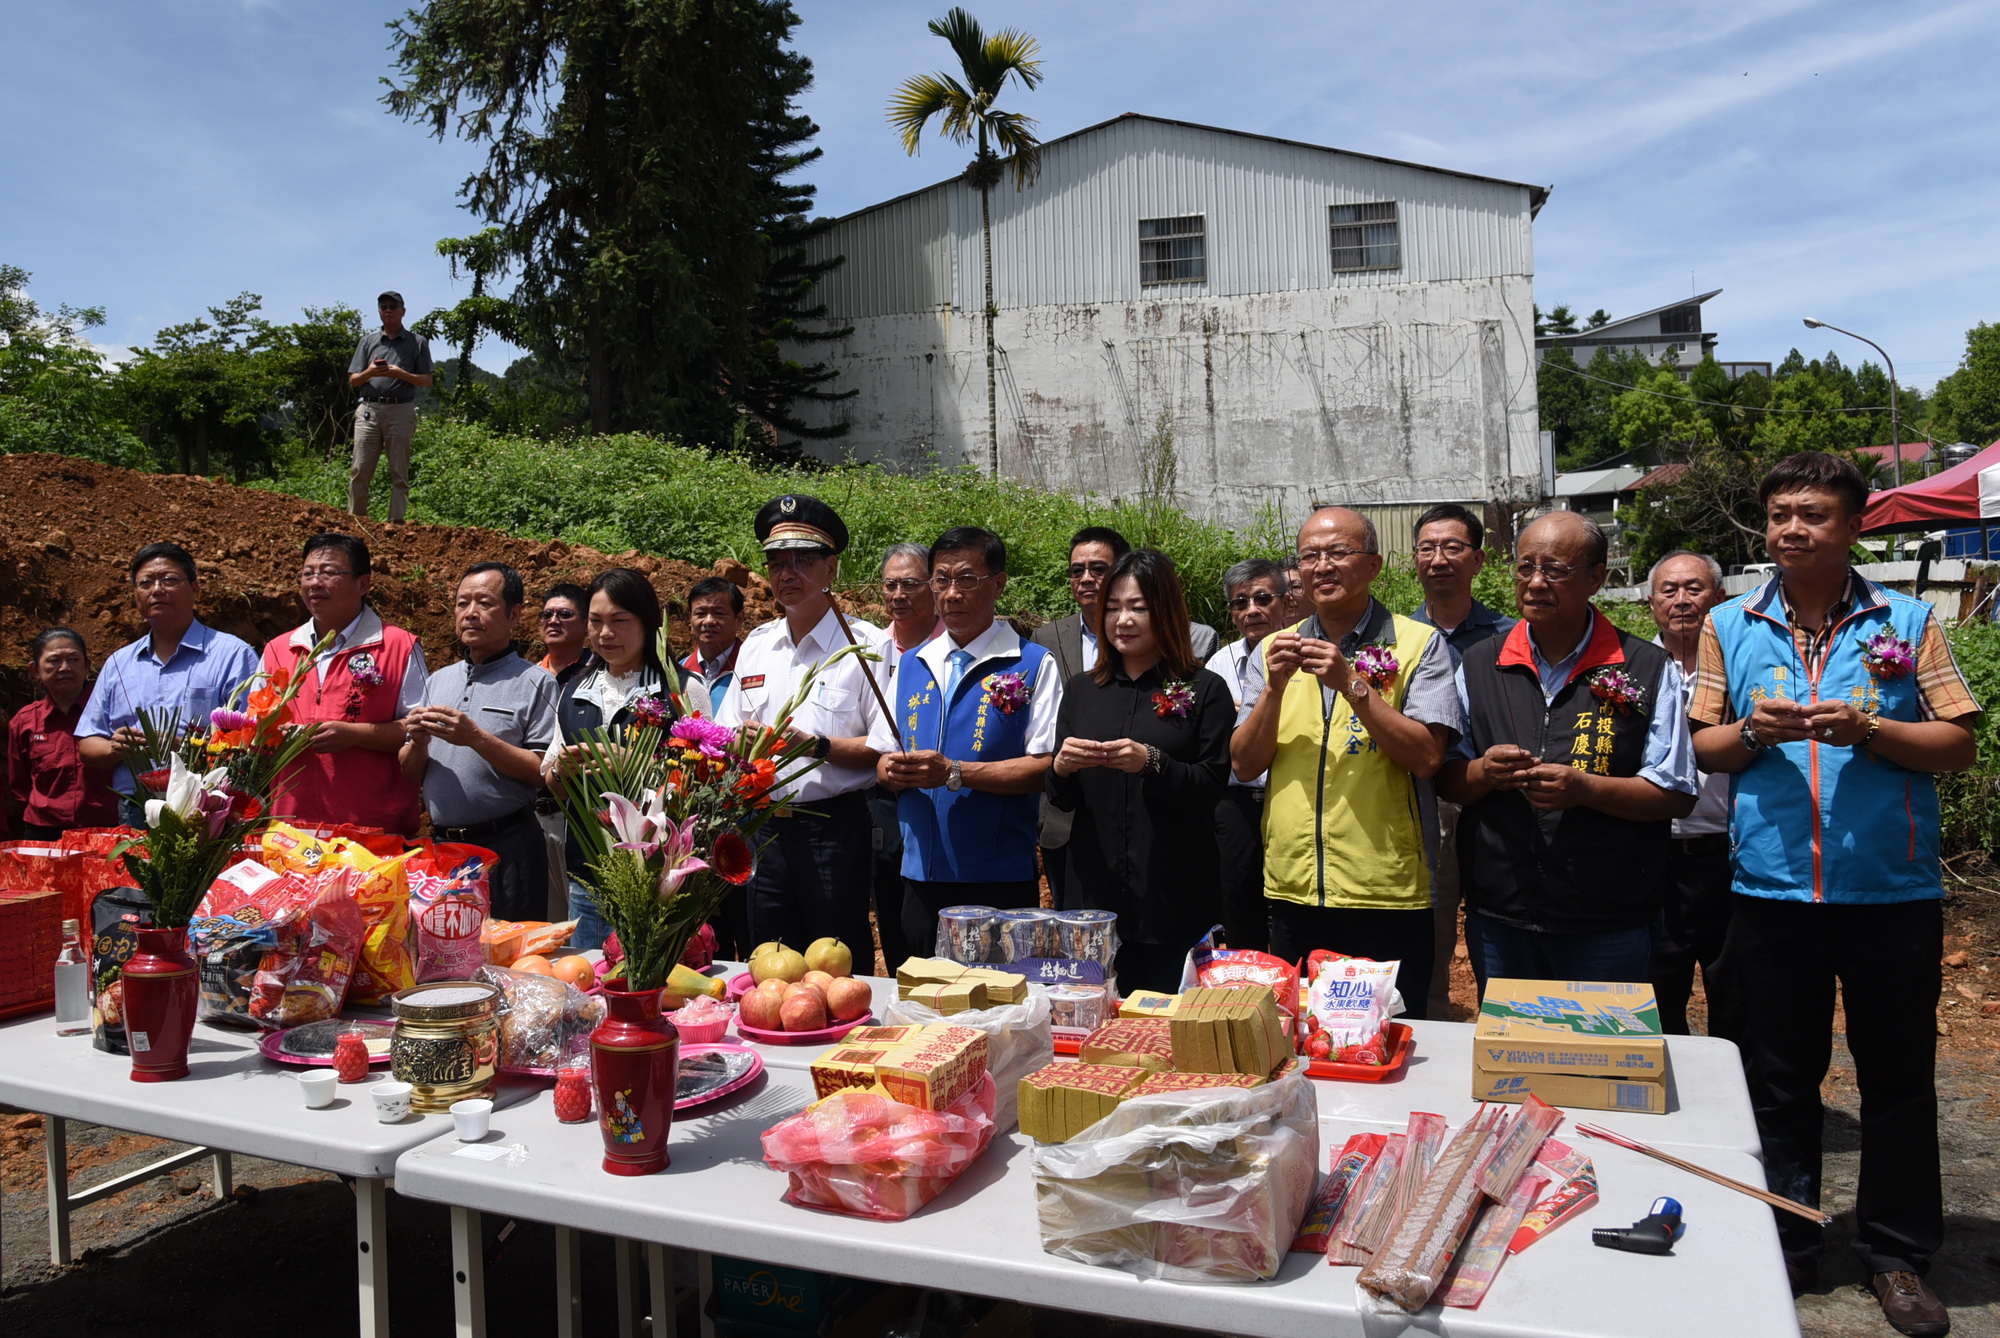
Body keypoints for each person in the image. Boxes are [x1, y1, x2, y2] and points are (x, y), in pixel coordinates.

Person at [1691, 453, 1979, 1329]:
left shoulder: (1907, 620)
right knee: (1779, 1081)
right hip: (1772, 890)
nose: (1790, 529)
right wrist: (1750, 730)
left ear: (1854, 527)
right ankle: (1789, 1239)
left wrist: (1873, 728)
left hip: (1890, 892)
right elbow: (1706, 748)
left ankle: (1896, 1255)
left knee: (1897, 1079)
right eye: (1779, 513)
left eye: (1812, 514)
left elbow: (1959, 742)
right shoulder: (1730, 624)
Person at [1437, 512, 1696, 992]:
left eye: (1554, 569)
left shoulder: (1645, 665)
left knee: (1602, 1060)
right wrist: (1484, 773)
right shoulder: (1479, 663)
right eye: (1524, 567)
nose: (1535, 583)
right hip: (1502, 913)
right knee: (1513, 1054)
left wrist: (1585, 789)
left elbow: (1676, 792)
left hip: (1607, 917)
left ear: (1596, 578)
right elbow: (1448, 776)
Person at [1231, 508, 1462, 1016]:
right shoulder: (1272, 650)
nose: (1323, 566)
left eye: (1339, 553)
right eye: (1310, 555)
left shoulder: (1420, 644)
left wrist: (1352, 684)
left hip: (1385, 889)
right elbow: (1245, 765)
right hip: (1294, 887)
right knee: (1305, 1040)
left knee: (1391, 1037)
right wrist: (1273, 688)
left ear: (1375, 565)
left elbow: (1427, 756)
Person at [872, 527, 1063, 954]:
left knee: (999, 1008)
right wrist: (890, 770)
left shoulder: (1031, 663)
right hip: (920, 874)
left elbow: (1045, 766)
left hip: (997, 877)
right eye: (941, 580)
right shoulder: (913, 664)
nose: (952, 593)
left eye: (967, 580)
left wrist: (954, 773)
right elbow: (882, 755)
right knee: (924, 1003)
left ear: (998, 583)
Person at [1049, 551, 1233, 993]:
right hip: (1095, 899)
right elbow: (1061, 799)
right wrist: (1060, 768)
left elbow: (1211, 785)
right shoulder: (1081, 690)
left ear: (1165, 612)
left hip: (1173, 895)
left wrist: (1153, 763)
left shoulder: (1204, 688)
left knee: (1173, 1029)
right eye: (1112, 608)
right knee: (1097, 1030)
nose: (1122, 620)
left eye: (1138, 608)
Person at [714, 496, 887, 960]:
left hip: (833, 829)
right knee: (767, 961)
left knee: (837, 963)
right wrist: (740, 742)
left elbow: (885, 749)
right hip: (763, 828)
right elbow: (725, 730)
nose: (787, 573)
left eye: (803, 561)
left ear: (832, 569)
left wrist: (815, 746)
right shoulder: (757, 644)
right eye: (775, 562)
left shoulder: (867, 645)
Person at [542, 569, 709, 949]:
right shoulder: (573, 690)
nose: (605, 634)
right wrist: (560, 772)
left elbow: (706, 777)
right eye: (596, 622)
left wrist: (630, 760)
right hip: (589, 876)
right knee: (593, 985)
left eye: (619, 621)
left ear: (647, 623)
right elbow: (551, 780)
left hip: (659, 876)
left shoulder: (682, 689)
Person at [400, 563, 560, 922]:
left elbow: (541, 772)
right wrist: (419, 743)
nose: (470, 613)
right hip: (444, 848)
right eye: (461, 604)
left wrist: (475, 738)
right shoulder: (438, 680)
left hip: (508, 846)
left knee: (508, 957)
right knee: (446, 954)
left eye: (484, 603)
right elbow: (410, 770)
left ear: (514, 614)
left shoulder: (536, 682)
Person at [1408, 503, 1517, 1019]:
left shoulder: (1509, 636)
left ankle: (1506, 1029)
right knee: (1430, 925)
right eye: (1427, 548)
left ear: (1478, 560)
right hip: (1424, 799)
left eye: (1453, 547)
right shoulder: (1397, 638)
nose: (1438, 559)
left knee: (1496, 925)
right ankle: (1431, 1020)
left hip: (1494, 799)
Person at [76, 542, 261, 827]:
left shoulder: (233, 655)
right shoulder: (118, 664)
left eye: (169, 580)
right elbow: (88, 744)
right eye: (146, 582)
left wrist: (186, 748)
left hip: (206, 808)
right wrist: (117, 748)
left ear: (195, 588)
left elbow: (254, 741)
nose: (157, 589)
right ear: (136, 594)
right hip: (136, 808)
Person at [262, 533, 429, 836]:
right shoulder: (278, 649)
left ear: (363, 584)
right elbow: (255, 727)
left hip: (372, 830)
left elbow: (420, 730)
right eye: (308, 573)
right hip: (292, 828)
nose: (314, 582)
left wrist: (352, 734)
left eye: (328, 573)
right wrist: (274, 734)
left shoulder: (398, 646)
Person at [1644, 549, 1738, 1042]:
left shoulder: (1741, 668)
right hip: (1653, 851)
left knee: (1735, 986)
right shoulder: (1635, 668)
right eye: (1668, 590)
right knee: (1658, 986)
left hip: (1728, 852)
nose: (1681, 601)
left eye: (1694, 589)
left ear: (1719, 599)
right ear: (1652, 603)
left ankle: (1739, 1103)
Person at [1033, 526, 1130, 907]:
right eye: (1077, 570)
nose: (1086, 578)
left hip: (1132, 810)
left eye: (1098, 568)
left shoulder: (1148, 636)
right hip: (1065, 817)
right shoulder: (1045, 638)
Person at [1204, 558, 1288, 951]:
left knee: (1289, 906)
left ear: (1285, 603)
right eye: (1240, 602)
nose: (1251, 609)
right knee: (1238, 904)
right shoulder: (1218, 665)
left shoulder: (1307, 653)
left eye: (1262, 598)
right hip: (1235, 802)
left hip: (1288, 796)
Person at [869, 543, 944, 970]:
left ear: (933, 588)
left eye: (911, 584)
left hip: (944, 793)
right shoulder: (870, 649)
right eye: (891, 584)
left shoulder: (951, 648)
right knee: (896, 913)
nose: (899, 594)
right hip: (884, 800)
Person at [7, 630, 120, 838]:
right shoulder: (24, 722)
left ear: (87, 665)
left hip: (105, 830)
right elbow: (19, 784)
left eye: (73, 659)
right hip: (43, 833)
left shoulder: (113, 714)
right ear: (35, 670)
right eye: (54, 660)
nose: (65, 668)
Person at [347, 291, 433, 524]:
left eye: (393, 306)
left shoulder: (417, 342)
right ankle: (357, 521)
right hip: (369, 410)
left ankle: (395, 523)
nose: (388, 310)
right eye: (384, 306)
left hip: (401, 410)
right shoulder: (368, 342)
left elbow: (427, 381)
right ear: (379, 311)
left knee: (399, 472)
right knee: (360, 469)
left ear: (403, 311)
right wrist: (370, 372)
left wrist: (401, 374)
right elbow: (354, 380)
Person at [680, 577, 746, 712]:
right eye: (700, 613)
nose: (708, 621)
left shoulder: (753, 668)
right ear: (690, 620)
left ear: (738, 619)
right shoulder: (679, 672)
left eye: (719, 613)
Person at [535, 583, 594, 685]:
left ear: (586, 625)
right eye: (546, 615)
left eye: (564, 614)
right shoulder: (530, 676)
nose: (553, 621)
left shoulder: (599, 673)